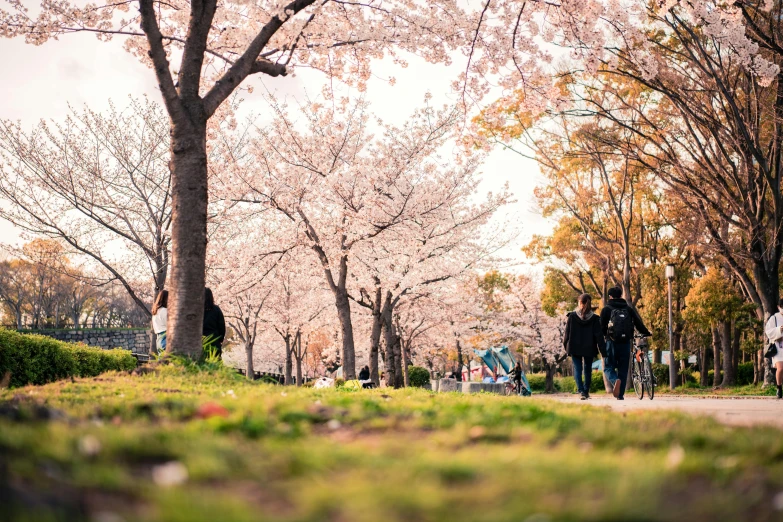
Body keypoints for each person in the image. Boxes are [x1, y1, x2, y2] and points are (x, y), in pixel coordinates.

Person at [600, 287, 651, 400]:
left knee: (608, 367)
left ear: (610, 296)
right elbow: (638, 323)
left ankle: (614, 381)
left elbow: (601, 327)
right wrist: (646, 332)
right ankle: (620, 395)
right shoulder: (628, 309)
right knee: (623, 369)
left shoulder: (606, 309)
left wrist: (605, 337)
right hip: (626, 343)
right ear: (621, 295)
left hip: (611, 342)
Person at [563, 293, 603, 400]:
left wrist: (566, 346)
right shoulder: (594, 318)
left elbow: (566, 334)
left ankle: (581, 391)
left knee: (577, 369)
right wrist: (603, 351)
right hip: (589, 347)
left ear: (580, 303)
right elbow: (599, 336)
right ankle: (586, 391)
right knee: (587, 370)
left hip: (574, 347)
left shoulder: (572, 316)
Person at [764, 298, 783, 399]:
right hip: (778, 347)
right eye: (782, 307)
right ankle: (779, 388)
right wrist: (779, 330)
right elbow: (769, 332)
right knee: (780, 368)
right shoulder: (774, 318)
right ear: (778, 307)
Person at [203, 287, 226, 358]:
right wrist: (220, 339)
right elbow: (221, 326)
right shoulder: (216, 309)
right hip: (214, 340)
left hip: (200, 340)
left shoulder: (197, 309)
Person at [151, 290, 168, 354]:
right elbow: (168, 325)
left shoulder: (155, 311)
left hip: (159, 338)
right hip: (165, 336)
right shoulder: (164, 310)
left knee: (162, 360)